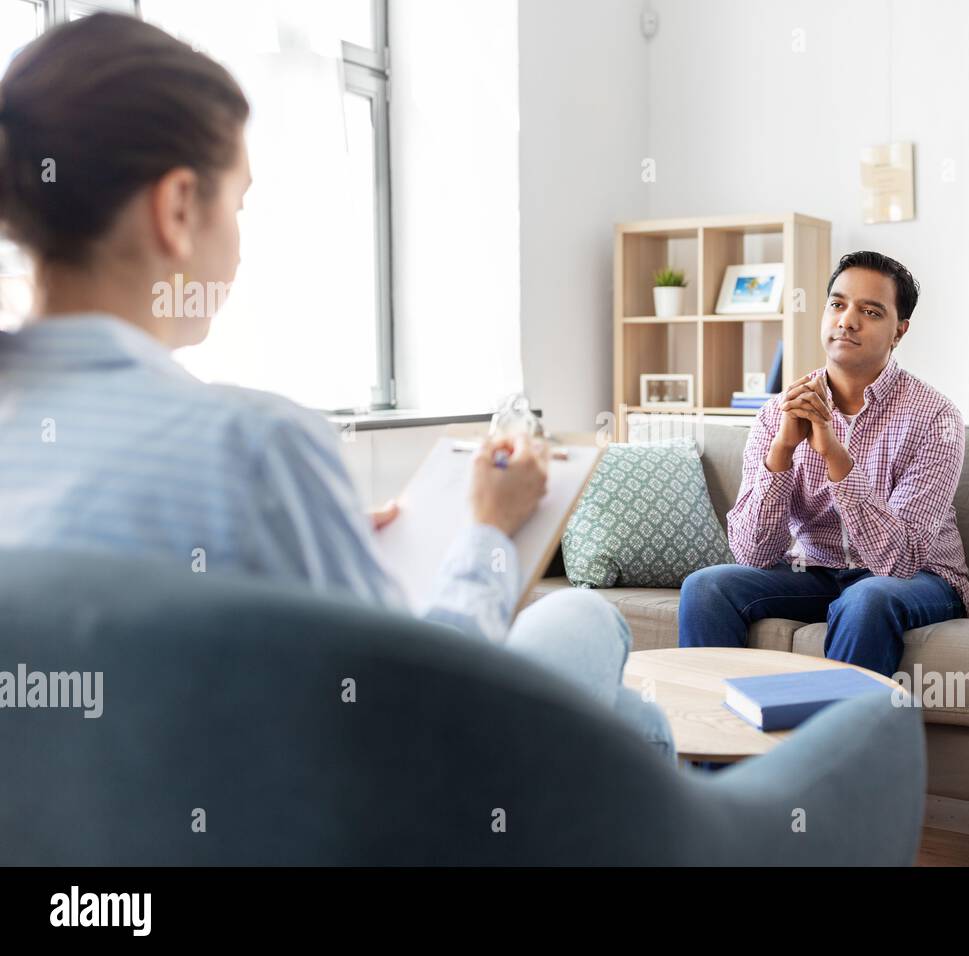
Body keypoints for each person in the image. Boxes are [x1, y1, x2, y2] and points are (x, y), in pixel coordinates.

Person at [0, 13, 671, 756]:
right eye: (241, 203)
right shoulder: (252, 446)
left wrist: (319, 530)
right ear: (179, 208)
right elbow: (413, 715)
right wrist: (488, 532)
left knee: (620, 710)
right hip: (360, 814)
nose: (241, 241)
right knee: (586, 629)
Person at [678, 251, 969, 678]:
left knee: (867, 598)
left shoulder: (935, 417)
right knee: (706, 587)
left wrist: (835, 455)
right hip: (813, 571)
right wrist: (781, 450)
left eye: (870, 312)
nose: (847, 320)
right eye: (838, 304)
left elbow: (901, 561)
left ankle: (832, 743)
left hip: (919, 579)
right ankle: (714, 734)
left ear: (899, 332)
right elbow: (752, 552)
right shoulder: (778, 411)